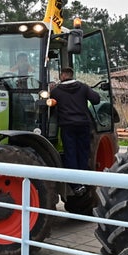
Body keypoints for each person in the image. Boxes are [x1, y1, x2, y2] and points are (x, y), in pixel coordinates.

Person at [49, 67, 100, 196]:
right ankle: (83, 180)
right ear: (72, 75)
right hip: (83, 124)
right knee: (83, 152)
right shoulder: (83, 87)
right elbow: (96, 99)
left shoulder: (56, 91)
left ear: (62, 76)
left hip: (67, 125)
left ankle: (76, 185)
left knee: (70, 153)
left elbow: (49, 105)